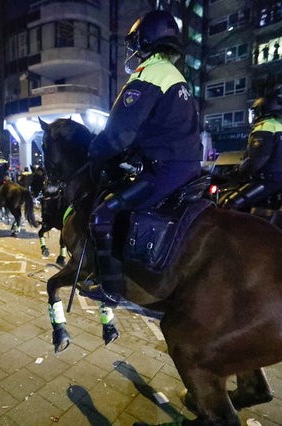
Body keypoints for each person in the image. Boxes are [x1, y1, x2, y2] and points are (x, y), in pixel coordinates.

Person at [80, 10, 202, 306]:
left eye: (135, 42)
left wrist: (95, 152)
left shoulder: (149, 74)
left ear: (146, 41)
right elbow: (158, 130)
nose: (133, 49)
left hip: (163, 171)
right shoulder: (176, 76)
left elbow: (118, 133)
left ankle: (109, 287)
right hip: (186, 168)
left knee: (102, 214)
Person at [221, 96, 282, 210]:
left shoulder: (264, 127)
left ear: (260, 110)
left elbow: (257, 159)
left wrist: (235, 173)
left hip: (267, 180)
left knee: (228, 204)